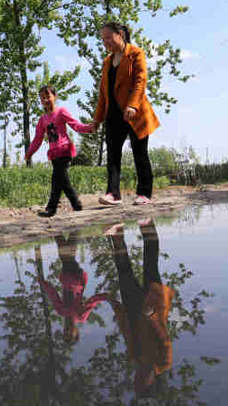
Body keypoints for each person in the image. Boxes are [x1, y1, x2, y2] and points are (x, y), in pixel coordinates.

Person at [92, 22, 160, 207]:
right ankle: (113, 194)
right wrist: (97, 118)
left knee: (140, 154)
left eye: (108, 37)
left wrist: (132, 106)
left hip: (135, 113)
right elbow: (103, 92)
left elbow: (140, 81)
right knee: (113, 156)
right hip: (113, 115)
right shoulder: (107, 62)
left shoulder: (136, 54)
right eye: (102, 39)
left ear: (120, 34)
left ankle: (144, 193)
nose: (105, 42)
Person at [103, 218, 175, 394]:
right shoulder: (163, 362)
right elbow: (164, 339)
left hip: (133, 308)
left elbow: (126, 330)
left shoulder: (135, 358)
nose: (138, 378)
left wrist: (115, 305)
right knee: (150, 264)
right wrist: (152, 316)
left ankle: (117, 233)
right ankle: (147, 224)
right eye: (142, 382)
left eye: (136, 381)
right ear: (152, 382)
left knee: (123, 269)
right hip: (153, 306)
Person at [25, 85, 96, 217]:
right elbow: (37, 139)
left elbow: (75, 125)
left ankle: (51, 208)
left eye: (48, 96)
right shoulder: (42, 120)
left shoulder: (61, 111)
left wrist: (89, 128)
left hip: (64, 150)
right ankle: (76, 204)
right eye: (42, 97)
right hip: (54, 153)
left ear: (54, 97)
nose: (46, 99)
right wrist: (29, 153)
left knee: (56, 179)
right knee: (62, 180)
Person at [35, 233, 111, 343]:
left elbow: (53, 295)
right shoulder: (81, 316)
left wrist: (42, 282)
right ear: (76, 332)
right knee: (67, 257)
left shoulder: (61, 311)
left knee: (66, 256)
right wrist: (106, 297)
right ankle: (67, 231)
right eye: (70, 334)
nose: (67, 331)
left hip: (66, 277)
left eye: (65, 333)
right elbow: (92, 302)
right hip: (77, 278)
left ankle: (67, 231)